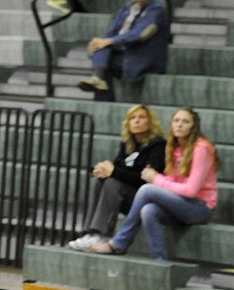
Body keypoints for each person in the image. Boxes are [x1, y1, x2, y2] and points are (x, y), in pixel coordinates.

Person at [91, 107, 219, 260]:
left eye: (185, 122)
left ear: (194, 126)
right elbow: (173, 181)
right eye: (176, 121)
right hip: (180, 202)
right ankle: (159, 261)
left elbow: (191, 191)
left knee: (147, 190)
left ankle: (119, 243)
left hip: (199, 207)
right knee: (149, 211)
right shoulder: (173, 146)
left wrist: (156, 179)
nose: (179, 125)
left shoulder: (201, 149)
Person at [68, 104, 165, 251]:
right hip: (124, 195)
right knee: (98, 181)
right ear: (128, 123)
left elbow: (144, 178)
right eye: (133, 118)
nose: (136, 121)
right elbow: (116, 168)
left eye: (141, 117)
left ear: (150, 122)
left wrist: (112, 172)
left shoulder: (158, 145)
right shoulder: (127, 145)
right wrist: (101, 170)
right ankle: (90, 233)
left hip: (142, 198)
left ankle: (103, 233)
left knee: (113, 183)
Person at [78, 0, 169, 102]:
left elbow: (140, 35)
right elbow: (112, 31)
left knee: (105, 56)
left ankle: (100, 89)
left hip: (142, 58)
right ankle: (98, 80)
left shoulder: (157, 10)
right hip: (122, 54)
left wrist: (108, 41)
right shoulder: (126, 8)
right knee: (101, 47)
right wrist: (98, 42)